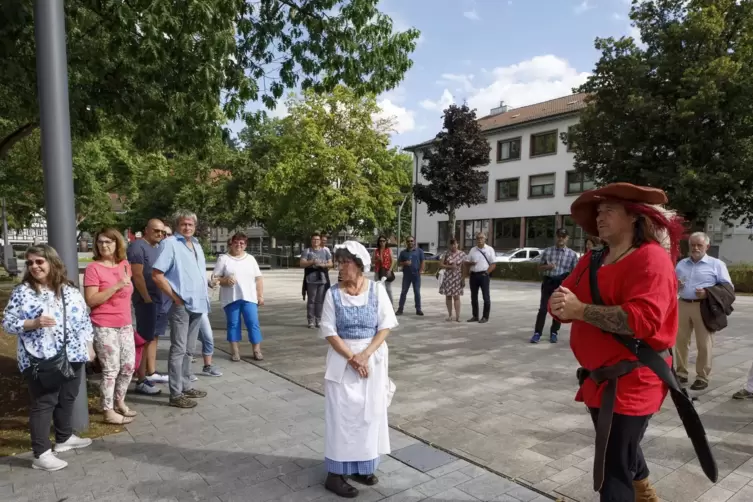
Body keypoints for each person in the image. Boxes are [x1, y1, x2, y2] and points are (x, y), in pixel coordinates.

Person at [548, 182, 685, 502]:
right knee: (621, 446)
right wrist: (560, 307)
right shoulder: (594, 259)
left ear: (634, 217)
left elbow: (643, 321)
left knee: (613, 467)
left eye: (609, 210)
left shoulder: (652, 259)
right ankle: (646, 493)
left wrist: (580, 310)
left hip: (636, 379)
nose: (600, 217)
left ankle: (635, 492)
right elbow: (563, 297)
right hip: (600, 380)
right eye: (598, 211)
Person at [2, 245, 94, 471]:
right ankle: (41, 454)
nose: (34, 266)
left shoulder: (69, 290)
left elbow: (83, 320)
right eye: (30, 262)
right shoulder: (23, 291)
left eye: (39, 261)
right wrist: (32, 323)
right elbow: (7, 323)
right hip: (40, 359)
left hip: (73, 353)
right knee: (44, 403)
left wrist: (89, 346)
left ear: (52, 262)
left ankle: (63, 438)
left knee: (68, 396)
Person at [319, 241, 398, 498]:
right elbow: (329, 331)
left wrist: (365, 355)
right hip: (343, 362)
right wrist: (353, 357)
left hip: (372, 359)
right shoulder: (332, 294)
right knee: (342, 418)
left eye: (345, 262)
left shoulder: (376, 289)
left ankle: (362, 466)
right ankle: (335, 474)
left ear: (359, 265)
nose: (340, 267)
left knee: (369, 415)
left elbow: (385, 326)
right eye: (339, 262)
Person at [152, 210, 211, 409]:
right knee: (178, 349)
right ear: (178, 225)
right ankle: (176, 393)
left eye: (191, 225)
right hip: (181, 305)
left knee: (189, 349)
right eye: (184, 224)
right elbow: (157, 274)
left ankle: (186, 385)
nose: (187, 227)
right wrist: (175, 298)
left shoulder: (196, 244)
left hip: (198, 303)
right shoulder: (170, 244)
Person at [84, 228, 137, 425]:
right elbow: (91, 300)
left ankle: (119, 401)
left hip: (125, 324)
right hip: (103, 325)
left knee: (129, 366)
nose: (104, 245)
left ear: (117, 243)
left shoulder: (125, 265)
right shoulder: (93, 269)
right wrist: (115, 286)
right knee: (111, 369)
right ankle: (107, 411)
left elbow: (127, 294)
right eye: (100, 242)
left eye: (109, 241)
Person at [675, 232, 733, 391]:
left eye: (699, 245)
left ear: (707, 246)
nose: (695, 248)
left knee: (704, 343)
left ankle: (702, 376)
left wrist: (708, 292)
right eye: (692, 244)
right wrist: (676, 286)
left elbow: (728, 288)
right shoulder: (681, 264)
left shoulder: (717, 264)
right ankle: (681, 373)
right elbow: (672, 283)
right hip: (683, 304)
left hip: (704, 307)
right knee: (680, 342)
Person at [127, 218, 170, 396]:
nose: (159, 234)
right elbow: (137, 275)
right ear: (146, 230)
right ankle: (141, 379)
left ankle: (151, 373)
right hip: (147, 300)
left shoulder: (158, 247)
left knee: (154, 336)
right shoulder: (138, 247)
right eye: (156, 231)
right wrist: (146, 298)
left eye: (162, 232)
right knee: (144, 339)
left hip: (160, 300)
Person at [214, 232, 265, 361]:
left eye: (242, 243)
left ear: (245, 245)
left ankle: (257, 350)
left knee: (253, 323)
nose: (239, 245)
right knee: (233, 324)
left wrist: (260, 295)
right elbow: (215, 278)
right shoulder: (223, 259)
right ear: (231, 243)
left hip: (249, 297)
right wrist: (225, 280)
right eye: (236, 242)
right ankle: (235, 352)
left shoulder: (250, 259)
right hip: (231, 298)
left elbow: (258, 278)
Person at [531, 228, 579, 344]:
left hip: (561, 284)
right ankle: (537, 333)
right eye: (559, 236)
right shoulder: (548, 251)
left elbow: (575, 273)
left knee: (558, 309)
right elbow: (539, 268)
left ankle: (554, 332)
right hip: (548, 282)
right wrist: (547, 267)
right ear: (556, 237)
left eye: (563, 236)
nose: (560, 238)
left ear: (567, 238)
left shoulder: (572, 255)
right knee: (543, 308)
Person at [300, 233, 333, 328]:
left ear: (320, 241)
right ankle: (310, 320)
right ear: (311, 241)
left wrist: (323, 265)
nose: (316, 241)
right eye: (314, 239)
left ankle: (319, 319)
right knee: (311, 300)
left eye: (317, 239)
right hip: (311, 279)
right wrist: (312, 262)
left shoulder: (325, 251)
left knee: (320, 301)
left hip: (322, 278)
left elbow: (331, 264)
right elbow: (302, 263)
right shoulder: (307, 251)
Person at [465, 232, 495, 323]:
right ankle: (475, 316)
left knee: (486, 297)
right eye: (478, 238)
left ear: (485, 239)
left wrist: (486, 273)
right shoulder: (472, 250)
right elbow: (466, 262)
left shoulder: (489, 249)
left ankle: (485, 317)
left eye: (481, 238)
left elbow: (493, 264)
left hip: (484, 275)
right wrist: (471, 263)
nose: (479, 240)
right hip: (473, 275)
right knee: (473, 297)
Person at [396, 236, 424, 316]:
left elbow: (422, 262)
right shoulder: (403, 252)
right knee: (404, 292)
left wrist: (420, 271)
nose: (410, 242)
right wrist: (405, 263)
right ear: (406, 242)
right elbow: (398, 263)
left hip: (416, 276)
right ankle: (400, 309)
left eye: (411, 241)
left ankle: (418, 309)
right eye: (408, 241)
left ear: (414, 241)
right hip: (406, 276)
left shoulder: (419, 251)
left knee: (417, 292)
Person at [439, 239, 466, 322]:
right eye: (451, 244)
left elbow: (464, 267)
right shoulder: (446, 253)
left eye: (455, 244)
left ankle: (458, 316)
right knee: (448, 297)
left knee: (457, 297)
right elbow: (440, 264)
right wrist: (450, 267)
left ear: (457, 244)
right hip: (448, 277)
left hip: (458, 277)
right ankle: (450, 315)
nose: (453, 246)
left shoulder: (462, 254)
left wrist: (463, 278)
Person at [373, 235, 394, 305]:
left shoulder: (389, 250)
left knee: (388, 289)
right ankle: (379, 305)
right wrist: (377, 260)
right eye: (380, 241)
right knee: (378, 289)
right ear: (378, 242)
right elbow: (372, 261)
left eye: (383, 241)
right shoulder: (376, 251)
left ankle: (391, 305)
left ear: (386, 242)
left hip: (386, 270)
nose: (382, 242)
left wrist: (390, 270)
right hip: (377, 271)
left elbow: (393, 261)